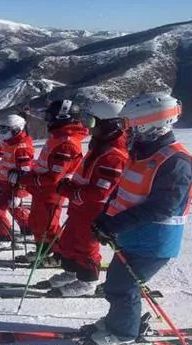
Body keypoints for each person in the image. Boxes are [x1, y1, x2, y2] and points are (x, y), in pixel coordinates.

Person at [87, 92, 192, 345]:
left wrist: (114, 224)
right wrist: (105, 218)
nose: (126, 130)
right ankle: (118, 321)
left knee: (122, 286)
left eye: (130, 124)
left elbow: (162, 208)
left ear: (151, 123)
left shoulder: (176, 162)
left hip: (154, 241)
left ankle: (124, 333)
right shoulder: (141, 154)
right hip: (132, 236)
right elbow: (123, 191)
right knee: (117, 281)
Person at [35, 99, 129, 296]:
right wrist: (70, 185)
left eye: (93, 122)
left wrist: (71, 191)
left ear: (109, 125)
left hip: (93, 210)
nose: (88, 126)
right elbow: (85, 175)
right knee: (69, 242)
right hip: (79, 207)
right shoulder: (99, 147)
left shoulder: (114, 156)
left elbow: (100, 192)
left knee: (86, 246)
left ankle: (87, 282)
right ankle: (71, 272)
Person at [13, 99, 89, 264]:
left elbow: (54, 177)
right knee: (37, 222)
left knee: (48, 225)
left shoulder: (66, 143)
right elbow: (45, 163)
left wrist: (25, 178)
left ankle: (58, 255)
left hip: (51, 191)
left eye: (50, 116)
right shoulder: (58, 136)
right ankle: (44, 250)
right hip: (41, 188)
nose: (48, 119)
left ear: (62, 118)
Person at [0, 114, 34, 251]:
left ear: (16, 130)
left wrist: (18, 194)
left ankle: (4, 238)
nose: (1, 133)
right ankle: (28, 229)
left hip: (15, 187)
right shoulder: (10, 143)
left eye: (4, 130)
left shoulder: (21, 148)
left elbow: (25, 173)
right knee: (13, 209)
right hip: (6, 184)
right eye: (1, 130)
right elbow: (5, 166)